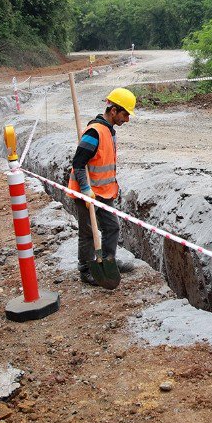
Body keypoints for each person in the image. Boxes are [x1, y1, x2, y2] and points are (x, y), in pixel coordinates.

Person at [67, 87, 136, 285]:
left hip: (104, 191)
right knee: (88, 232)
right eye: (125, 114)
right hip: (86, 191)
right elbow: (78, 163)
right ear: (113, 110)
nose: (127, 119)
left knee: (112, 226)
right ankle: (86, 269)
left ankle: (108, 260)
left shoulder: (109, 131)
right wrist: (86, 190)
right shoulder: (94, 132)